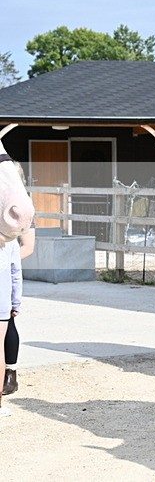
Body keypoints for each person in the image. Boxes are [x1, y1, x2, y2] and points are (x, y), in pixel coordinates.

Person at [4, 163, 33, 398]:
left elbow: (28, 247)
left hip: (7, 270)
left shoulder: (21, 208)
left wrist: (7, 265)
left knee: (8, 323)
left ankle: (10, 373)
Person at [0, 234, 22, 417]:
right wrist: (16, 302)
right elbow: (16, 272)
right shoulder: (11, 240)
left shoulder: (11, 241)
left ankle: (11, 372)